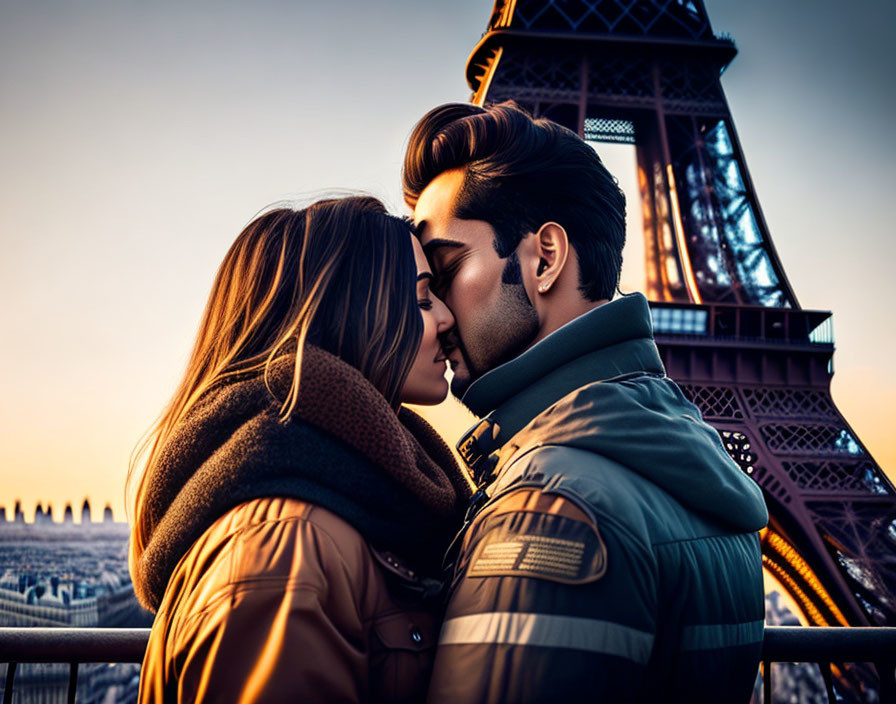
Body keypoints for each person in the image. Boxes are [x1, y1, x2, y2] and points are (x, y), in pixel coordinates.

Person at [402, 102, 769, 703]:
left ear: (544, 258)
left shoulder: (548, 507)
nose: (436, 314)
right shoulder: (680, 457)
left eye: (443, 272)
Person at [128, 196, 471, 703]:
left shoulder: (325, 515)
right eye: (422, 300)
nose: (447, 317)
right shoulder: (287, 547)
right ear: (346, 316)